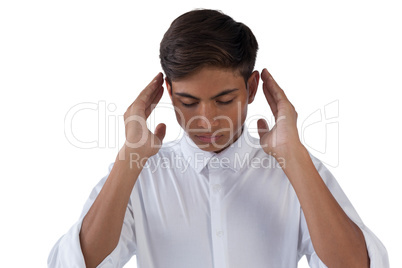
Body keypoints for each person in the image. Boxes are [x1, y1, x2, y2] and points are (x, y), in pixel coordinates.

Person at [48, 9, 389, 268]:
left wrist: (294, 158)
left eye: (224, 100)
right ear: (168, 91)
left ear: (251, 88)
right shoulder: (139, 175)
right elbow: (72, 263)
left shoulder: (297, 170)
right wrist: (128, 159)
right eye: (188, 101)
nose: (206, 120)